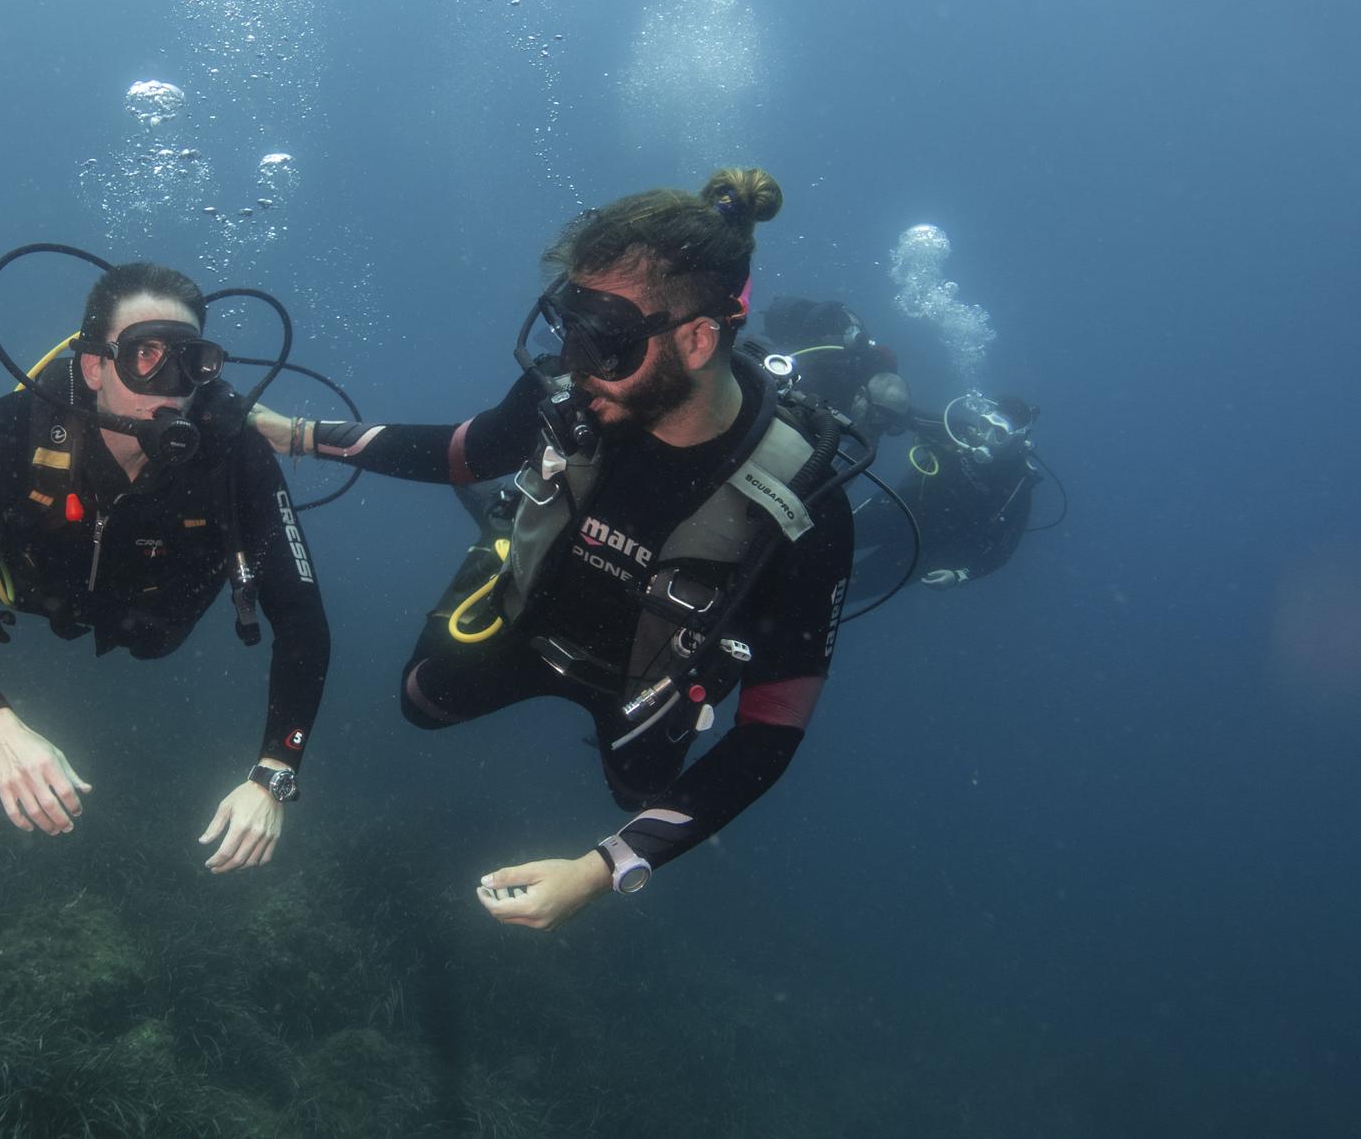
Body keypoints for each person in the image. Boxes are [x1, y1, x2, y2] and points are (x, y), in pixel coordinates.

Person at [254, 170, 855, 930]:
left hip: (642, 684)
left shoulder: (806, 506)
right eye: (566, 326)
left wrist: (598, 871)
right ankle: (508, 545)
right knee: (420, 702)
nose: (572, 362)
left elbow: (771, 732)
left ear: (699, 338)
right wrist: (296, 435)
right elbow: (463, 453)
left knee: (639, 792)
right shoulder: (574, 393)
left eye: (603, 339)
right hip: (524, 615)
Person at [0, 261, 330, 874]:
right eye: (145, 354)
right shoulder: (13, 428)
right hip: (34, 594)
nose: (170, 382)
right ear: (95, 365)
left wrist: (275, 772)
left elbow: (302, 618)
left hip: (153, 623)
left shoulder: (236, 456)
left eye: (191, 360)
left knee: (153, 641)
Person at [849, 392, 1041, 599]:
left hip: (927, 550)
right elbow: (907, 416)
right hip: (898, 509)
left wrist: (959, 576)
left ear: (1017, 439)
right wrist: (873, 405)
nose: (987, 437)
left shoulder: (1018, 483)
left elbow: (1002, 551)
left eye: (1000, 434)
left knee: (849, 590)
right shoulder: (960, 432)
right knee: (826, 538)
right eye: (985, 426)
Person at [761, 296, 908, 440]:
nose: (874, 425)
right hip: (792, 357)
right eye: (875, 418)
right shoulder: (822, 375)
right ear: (861, 394)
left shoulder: (876, 383)